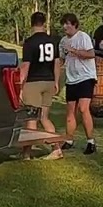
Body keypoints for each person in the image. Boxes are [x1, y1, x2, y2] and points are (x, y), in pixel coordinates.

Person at [19, 11, 63, 160]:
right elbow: (57, 63)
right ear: (44, 23)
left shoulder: (29, 42)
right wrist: (56, 81)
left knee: (31, 119)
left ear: (31, 24)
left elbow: (25, 66)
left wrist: (20, 84)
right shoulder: (53, 41)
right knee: (45, 117)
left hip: (33, 83)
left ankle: (26, 153)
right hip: (49, 81)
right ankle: (56, 148)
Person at [58, 13, 98, 155]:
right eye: (63, 24)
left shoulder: (83, 37)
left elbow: (91, 54)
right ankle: (69, 140)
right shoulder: (62, 41)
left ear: (74, 24)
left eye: (68, 24)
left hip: (86, 77)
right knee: (70, 111)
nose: (65, 27)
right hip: (71, 78)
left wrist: (74, 50)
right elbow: (61, 60)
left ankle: (91, 142)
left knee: (83, 108)